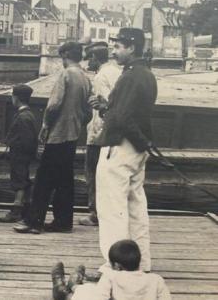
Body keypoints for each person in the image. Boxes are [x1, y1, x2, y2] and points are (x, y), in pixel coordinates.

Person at [92, 28, 157, 272]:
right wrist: (144, 143)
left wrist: (107, 110)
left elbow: (122, 117)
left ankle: (115, 265)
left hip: (120, 146)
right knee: (136, 206)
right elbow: (134, 112)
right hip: (136, 149)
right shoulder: (147, 75)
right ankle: (142, 264)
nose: (114, 51)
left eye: (118, 46)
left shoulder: (129, 76)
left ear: (131, 47)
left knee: (113, 208)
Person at [14, 42, 92, 234]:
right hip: (72, 135)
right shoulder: (85, 77)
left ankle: (34, 221)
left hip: (57, 135)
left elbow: (53, 105)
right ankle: (63, 221)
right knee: (65, 180)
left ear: (64, 55)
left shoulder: (65, 75)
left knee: (43, 179)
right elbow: (88, 112)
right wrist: (76, 123)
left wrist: (46, 126)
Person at [79, 41, 122, 227]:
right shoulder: (116, 72)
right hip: (112, 134)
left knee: (93, 174)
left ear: (96, 58)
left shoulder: (100, 77)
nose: (88, 63)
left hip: (98, 134)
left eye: (89, 58)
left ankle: (94, 213)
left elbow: (104, 102)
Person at [51, 239, 170, 300]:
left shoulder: (112, 277)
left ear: (117, 266)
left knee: (88, 291)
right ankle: (70, 287)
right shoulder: (156, 279)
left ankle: (66, 290)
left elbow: (99, 298)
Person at [0, 84, 38, 223]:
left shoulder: (23, 117)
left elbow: (26, 140)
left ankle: (16, 211)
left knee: (19, 182)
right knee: (23, 180)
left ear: (16, 98)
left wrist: (11, 145)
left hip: (19, 155)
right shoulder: (28, 114)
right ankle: (26, 209)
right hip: (22, 155)